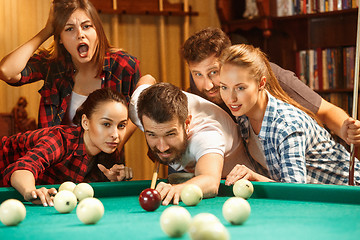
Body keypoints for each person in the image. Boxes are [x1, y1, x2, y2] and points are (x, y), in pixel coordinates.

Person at [0, 0, 141, 155]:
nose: (80, 34)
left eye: (87, 26)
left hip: (106, 171)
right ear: (60, 38)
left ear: (98, 31)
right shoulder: (53, 66)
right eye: (69, 29)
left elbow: (137, 111)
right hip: (55, 168)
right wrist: (47, 31)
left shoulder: (123, 66)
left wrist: (115, 149)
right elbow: (7, 71)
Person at [181, 27, 360, 148]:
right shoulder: (200, 88)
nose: (208, 85)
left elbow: (325, 110)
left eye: (214, 72)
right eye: (197, 74)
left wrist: (345, 130)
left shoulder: (269, 75)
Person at [219, 44, 360, 185]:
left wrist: (255, 178)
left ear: (261, 83)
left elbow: (295, 191)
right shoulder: (243, 116)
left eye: (240, 88)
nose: (231, 98)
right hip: (315, 200)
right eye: (224, 87)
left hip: (349, 195)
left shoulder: (287, 125)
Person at [129, 82, 266, 205]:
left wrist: (177, 189)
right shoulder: (137, 107)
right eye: (151, 134)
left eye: (170, 134)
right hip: (189, 162)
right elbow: (147, 79)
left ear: (187, 123)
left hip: (244, 185)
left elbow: (210, 182)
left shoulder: (206, 134)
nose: (162, 146)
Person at [0, 88, 133, 207]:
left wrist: (111, 181)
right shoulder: (60, 139)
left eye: (121, 125)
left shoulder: (109, 152)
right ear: (85, 122)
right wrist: (31, 191)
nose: (115, 135)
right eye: (106, 124)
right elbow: (22, 168)